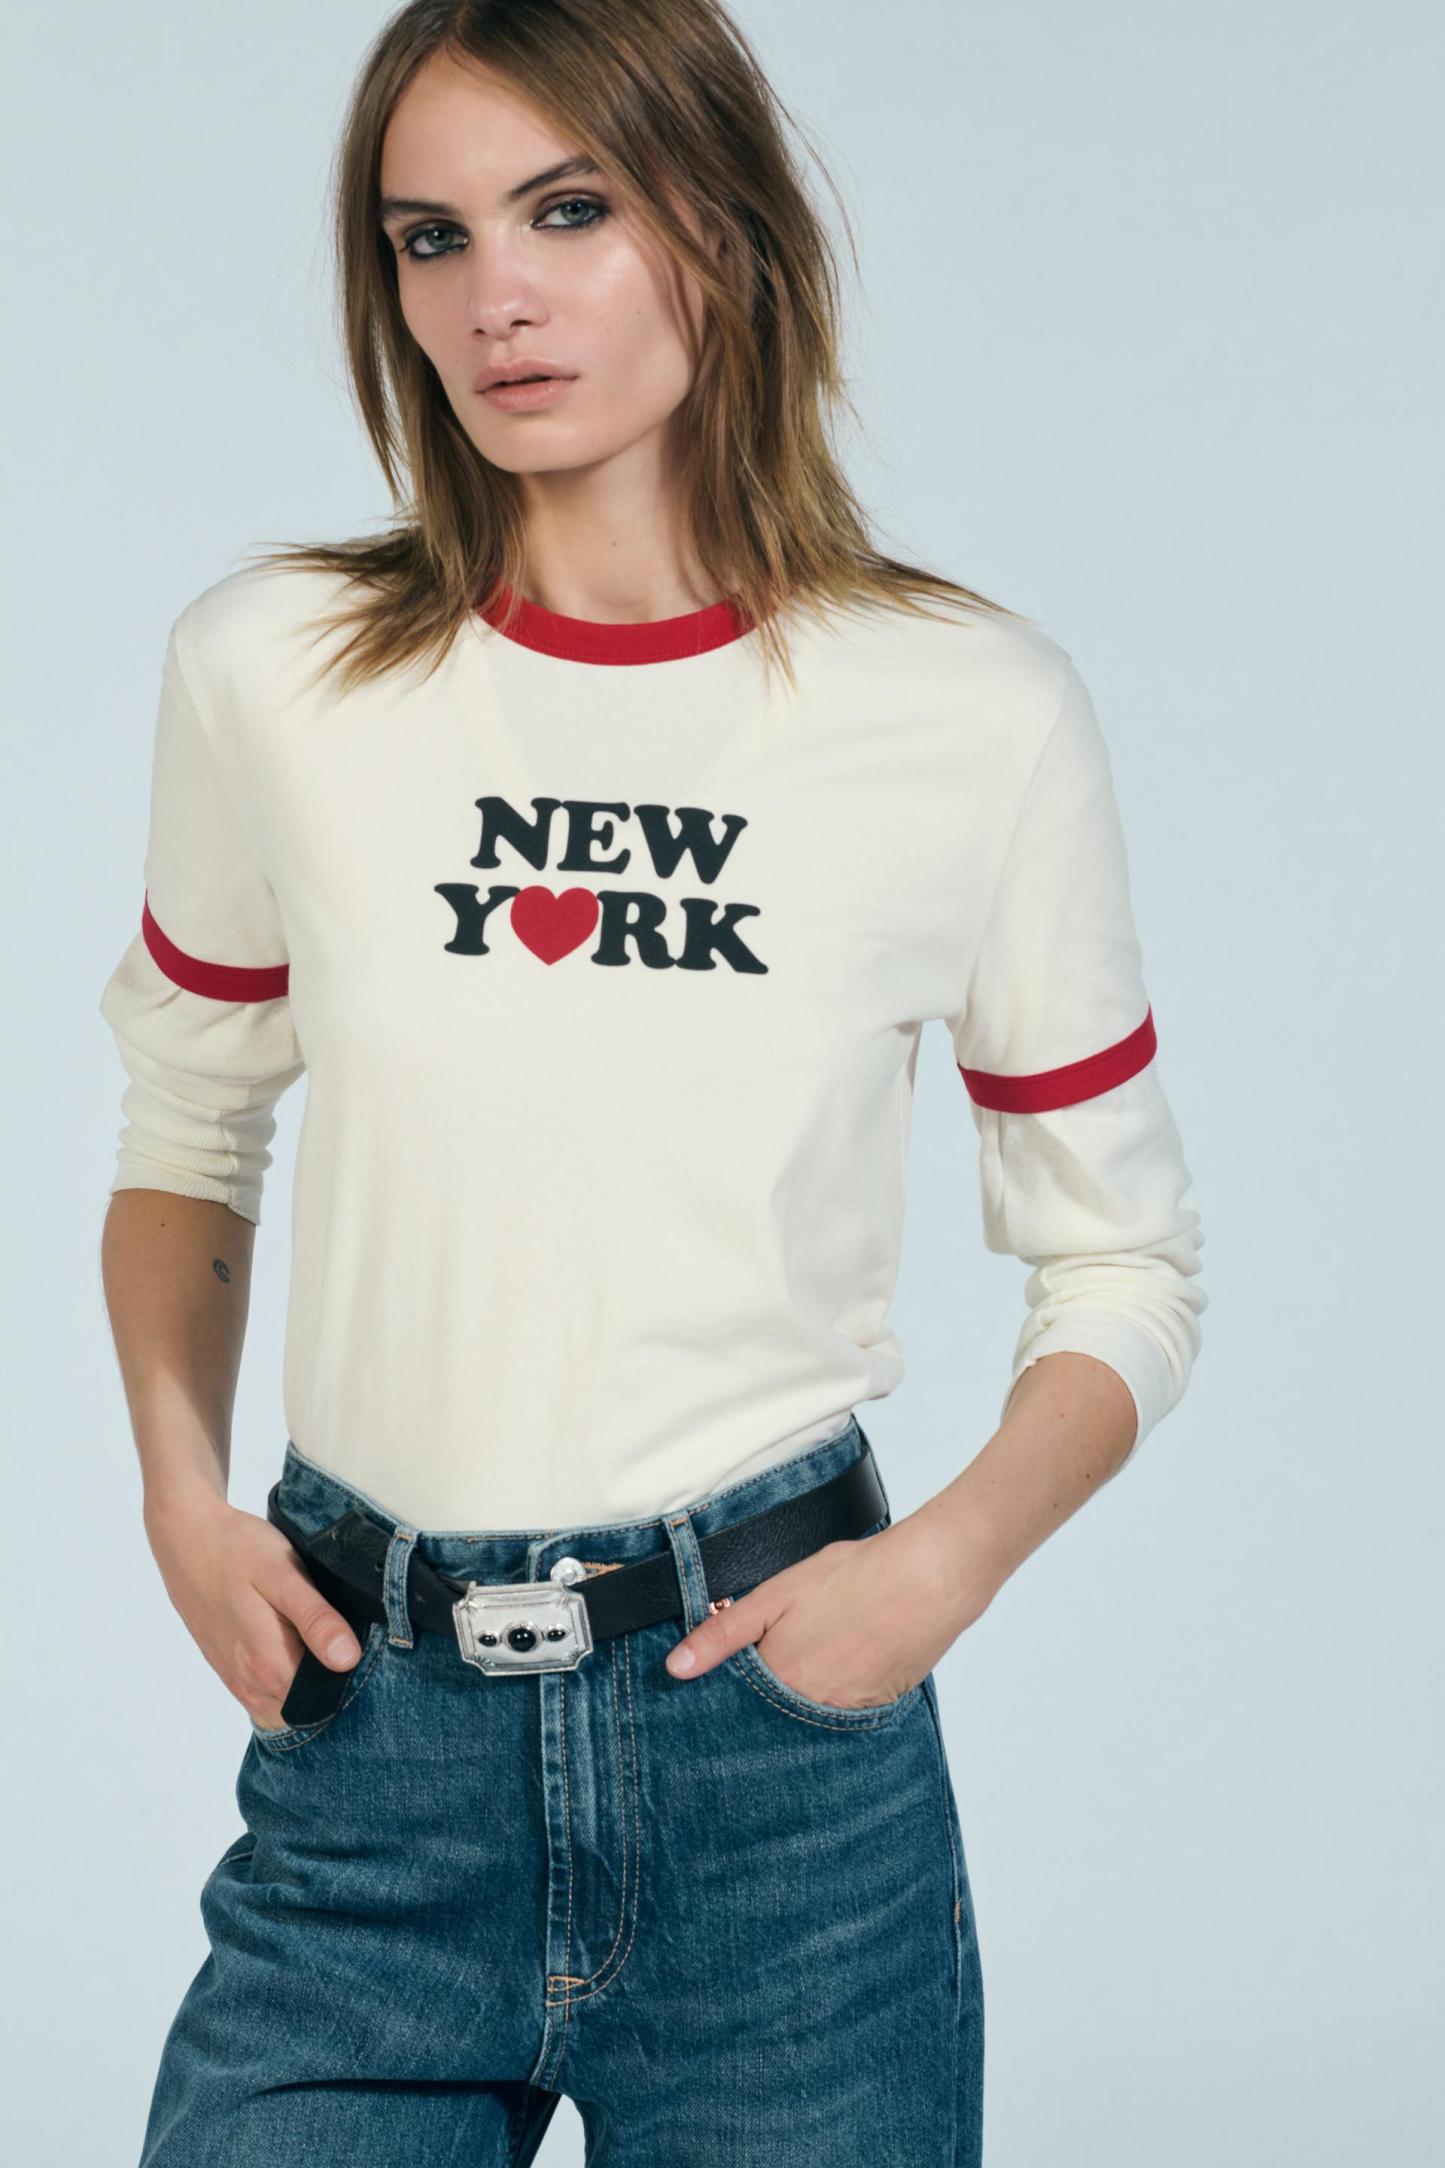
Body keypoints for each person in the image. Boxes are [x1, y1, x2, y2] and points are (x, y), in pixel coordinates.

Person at [98, 2, 1208, 2161]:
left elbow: (1127, 1265)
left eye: (567, 211)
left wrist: (933, 1578)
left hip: (776, 1780)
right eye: (429, 237)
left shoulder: (964, 712)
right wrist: (176, 1499)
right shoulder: (275, 674)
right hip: (366, 1758)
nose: (491, 298)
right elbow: (187, 1134)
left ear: (722, 228)